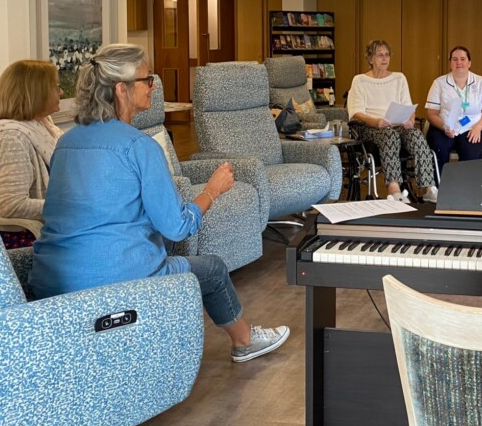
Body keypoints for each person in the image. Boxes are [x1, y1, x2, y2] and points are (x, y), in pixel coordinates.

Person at [29, 44, 288, 363]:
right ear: (121, 90)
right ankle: (244, 341)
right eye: (147, 79)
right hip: (114, 279)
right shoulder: (140, 147)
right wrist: (212, 190)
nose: (154, 85)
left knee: (161, 247)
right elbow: (179, 227)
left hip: (52, 279)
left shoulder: (65, 142)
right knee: (212, 269)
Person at [347, 39, 438, 203]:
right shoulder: (360, 80)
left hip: (398, 124)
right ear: (370, 59)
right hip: (371, 127)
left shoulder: (399, 78)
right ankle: (394, 189)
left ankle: (428, 187)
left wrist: (410, 121)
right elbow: (356, 113)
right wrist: (376, 122)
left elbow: (409, 106)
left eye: (387, 55)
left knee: (415, 134)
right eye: (380, 55)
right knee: (389, 135)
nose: (384, 59)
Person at [0, 60, 64, 248]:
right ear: (36, 92)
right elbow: (9, 205)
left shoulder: (43, 124)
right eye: (55, 87)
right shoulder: (11, 137)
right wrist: (68, 206)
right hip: (21, 238)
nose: (61, 92)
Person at [425, 46, 482, 176]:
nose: (459, 63)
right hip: (444, 126)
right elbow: (431, 114)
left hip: (472, 127)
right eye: (455, 59)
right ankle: (437, 188)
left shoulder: (481, 82)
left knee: (471, 154)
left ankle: (466, 190)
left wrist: (478, 128)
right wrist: (444, 127)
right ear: (450, 63)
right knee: (438, 148)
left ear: (469, 63)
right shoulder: (439, 83)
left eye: (463, 59)